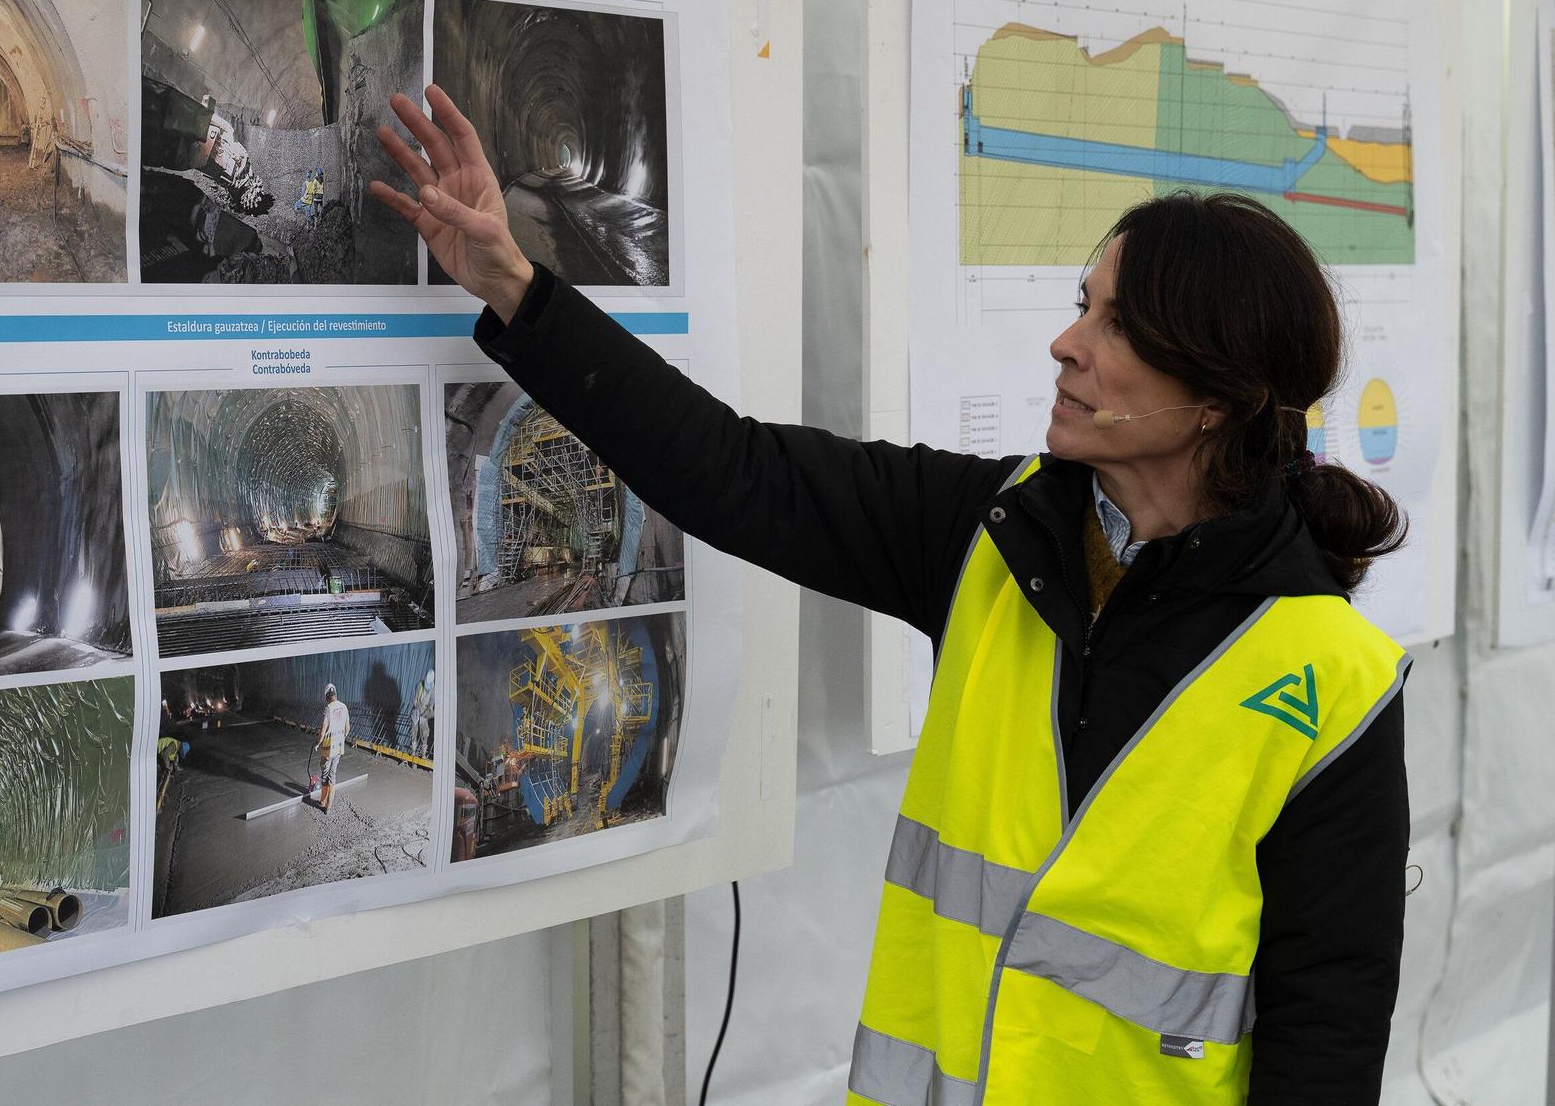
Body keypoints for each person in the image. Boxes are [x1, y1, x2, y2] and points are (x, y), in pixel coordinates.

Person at [372, 86, 1412, 1104]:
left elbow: (1324, 1038)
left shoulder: (1332, 685)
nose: (1067, 343)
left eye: (1117, 327)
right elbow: (737, 473)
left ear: (1210, 401)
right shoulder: (996, 533)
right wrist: (515, 284)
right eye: (1080, 304)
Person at [316, 682, 350, 812]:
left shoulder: (328, 709)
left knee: (325, 775)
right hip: (339, 748)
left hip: (328, 749)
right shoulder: (344, 707)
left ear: (326, 697)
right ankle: (329, 806)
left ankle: (323, 802)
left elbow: (323, 731)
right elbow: (347, 728)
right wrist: (340, 739)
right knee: (333, 775)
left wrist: (317, 743)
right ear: (335, 694)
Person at [411, 666, 436, 759]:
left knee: (424, 732)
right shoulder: (420, 685)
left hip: (424, 712)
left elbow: (431, 704)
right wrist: (418, 707)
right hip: (417, 710)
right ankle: (413, 751)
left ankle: (423, 754)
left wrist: (428, 710)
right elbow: (414, 700)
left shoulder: (433, 689)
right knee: (414, 730)